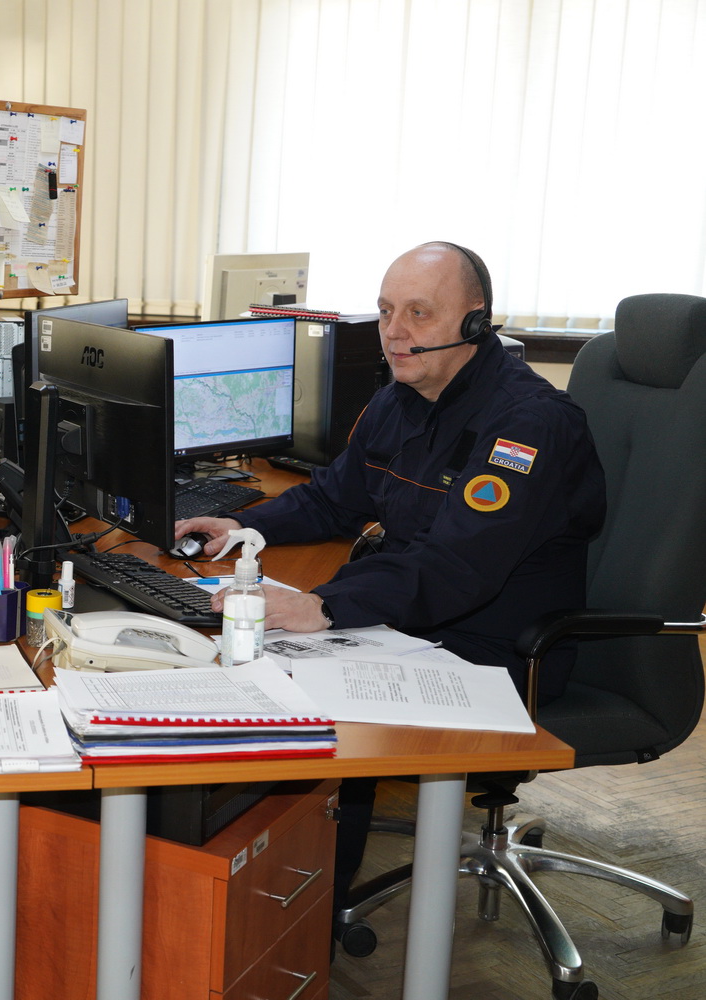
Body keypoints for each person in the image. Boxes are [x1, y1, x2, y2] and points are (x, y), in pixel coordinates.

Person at [174, 241, 606, 916]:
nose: (394, 331)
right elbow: (333, 498)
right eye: (384, 311)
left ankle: (313, 910)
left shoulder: (527, 426)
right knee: (250, 661)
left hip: (498, 647)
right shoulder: (401, 397)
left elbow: (457, 567)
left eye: (418, 313)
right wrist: (242, 526)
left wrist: (322, 605)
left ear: (474, 322)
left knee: (315, 703)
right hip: (415, 620)